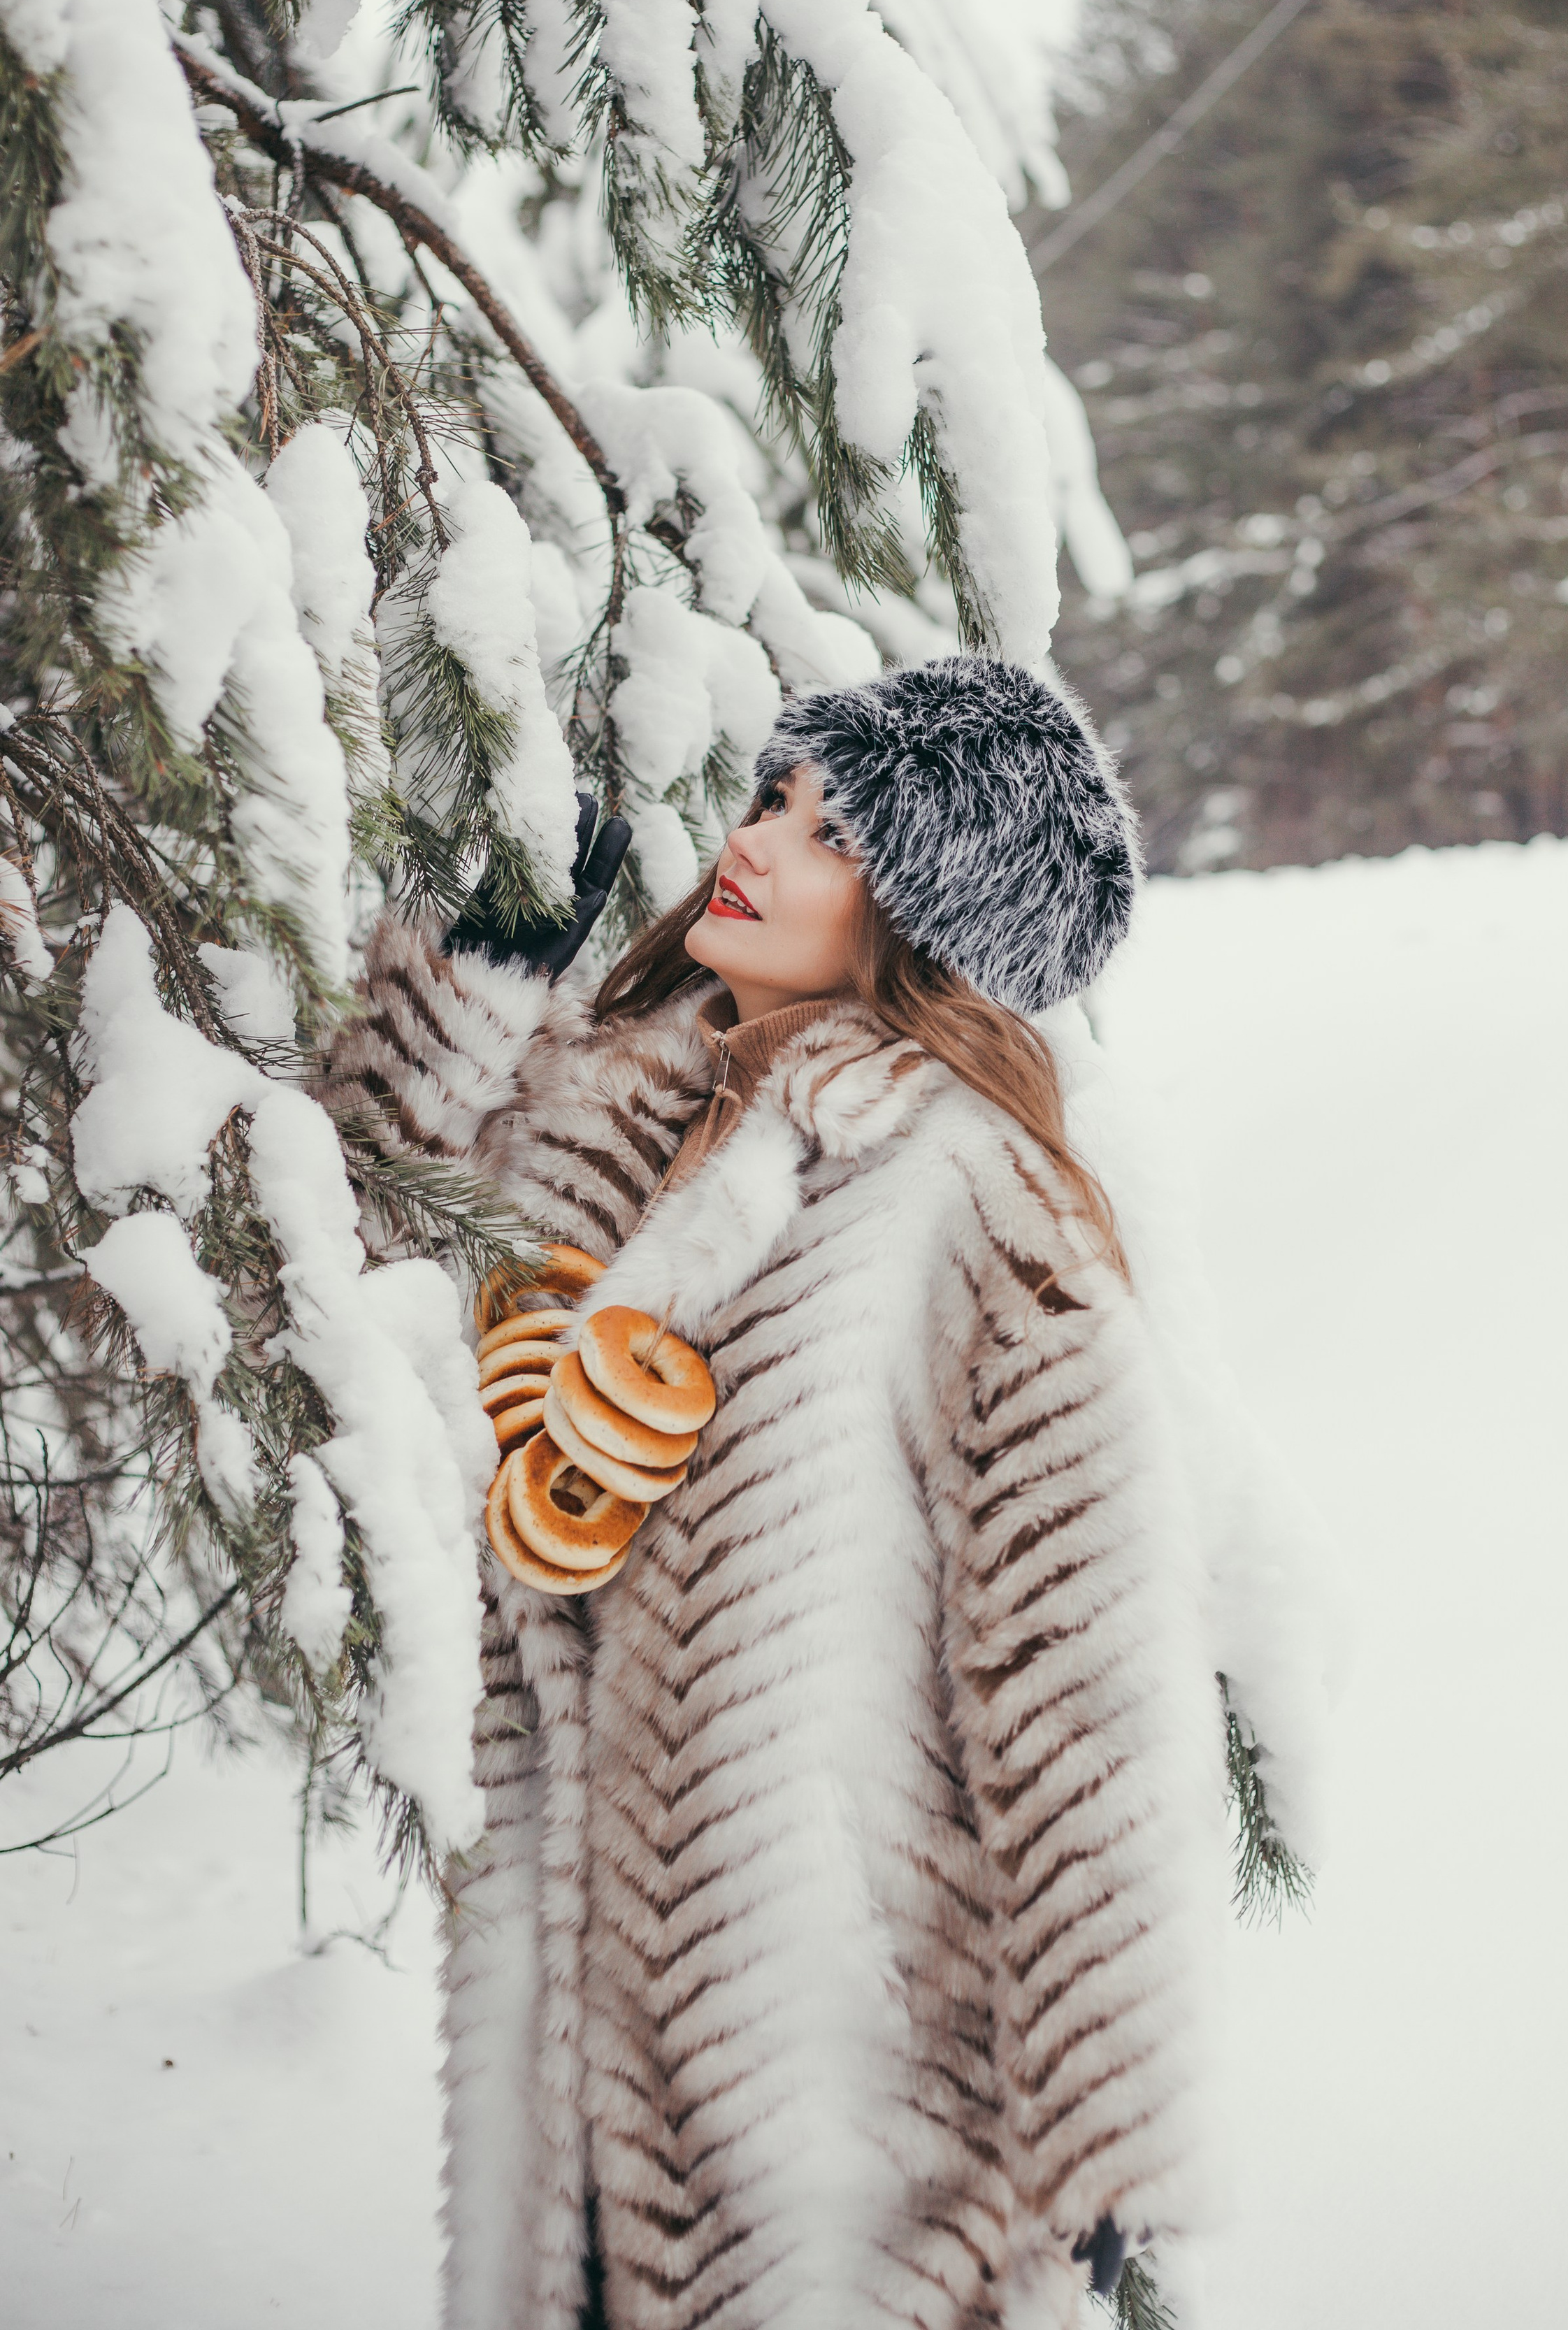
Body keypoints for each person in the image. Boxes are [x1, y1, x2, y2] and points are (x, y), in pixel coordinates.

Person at [321, 656, 1236, 2330]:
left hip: (846, 2087)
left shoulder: (982, 1214)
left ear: (923, 923)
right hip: (571, 2065)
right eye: (770, 798)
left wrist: (1111, 2131)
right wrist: (456, 1007)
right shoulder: (602, 1110)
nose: (757, 843)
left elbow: (1077, 1697)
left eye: (833, 831)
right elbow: (343, 1295)